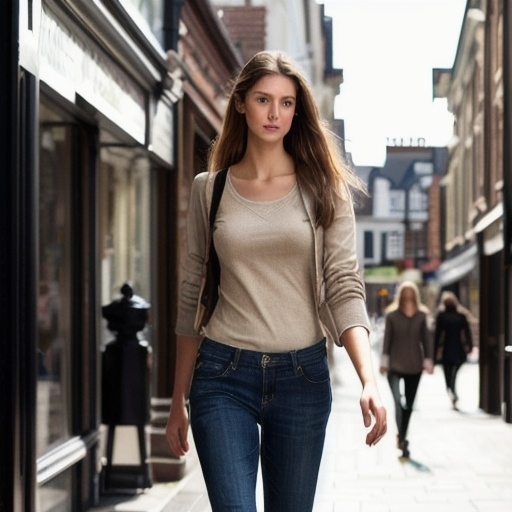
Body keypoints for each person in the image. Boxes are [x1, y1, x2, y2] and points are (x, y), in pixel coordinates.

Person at [165, 50, 387, 512]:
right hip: (222, 375)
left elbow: (344, 283)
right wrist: (177, 398)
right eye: (264, 99)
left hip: (302, 377)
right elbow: (193, 293)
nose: (274, 113)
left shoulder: (324, 189)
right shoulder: (211, 189)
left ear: (297, 111)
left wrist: (369, 378)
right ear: (242, 103)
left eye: (286, 103)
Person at [379, 281, 433, 459]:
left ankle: (402, 437)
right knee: (397, 403)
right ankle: (402, 438)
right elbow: (387, 340)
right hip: (394, 365)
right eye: (405, 294)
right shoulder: (392, 315)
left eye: (411, 294)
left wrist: (428, 360)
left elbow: (426, 340)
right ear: (401, 296)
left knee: (409, 405)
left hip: (414, 366)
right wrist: (384, 361)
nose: (408, 297)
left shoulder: (421, 315)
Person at [434, 292, 473, 410]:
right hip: (458, 349)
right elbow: (467, 333)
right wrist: (469, 346)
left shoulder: (442, 317)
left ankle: (451, 390)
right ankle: (453, 391)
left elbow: (437, 335)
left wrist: (434, 352)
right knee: (454, 374)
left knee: (447, 373)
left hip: (446, 349)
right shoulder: (461, 316)